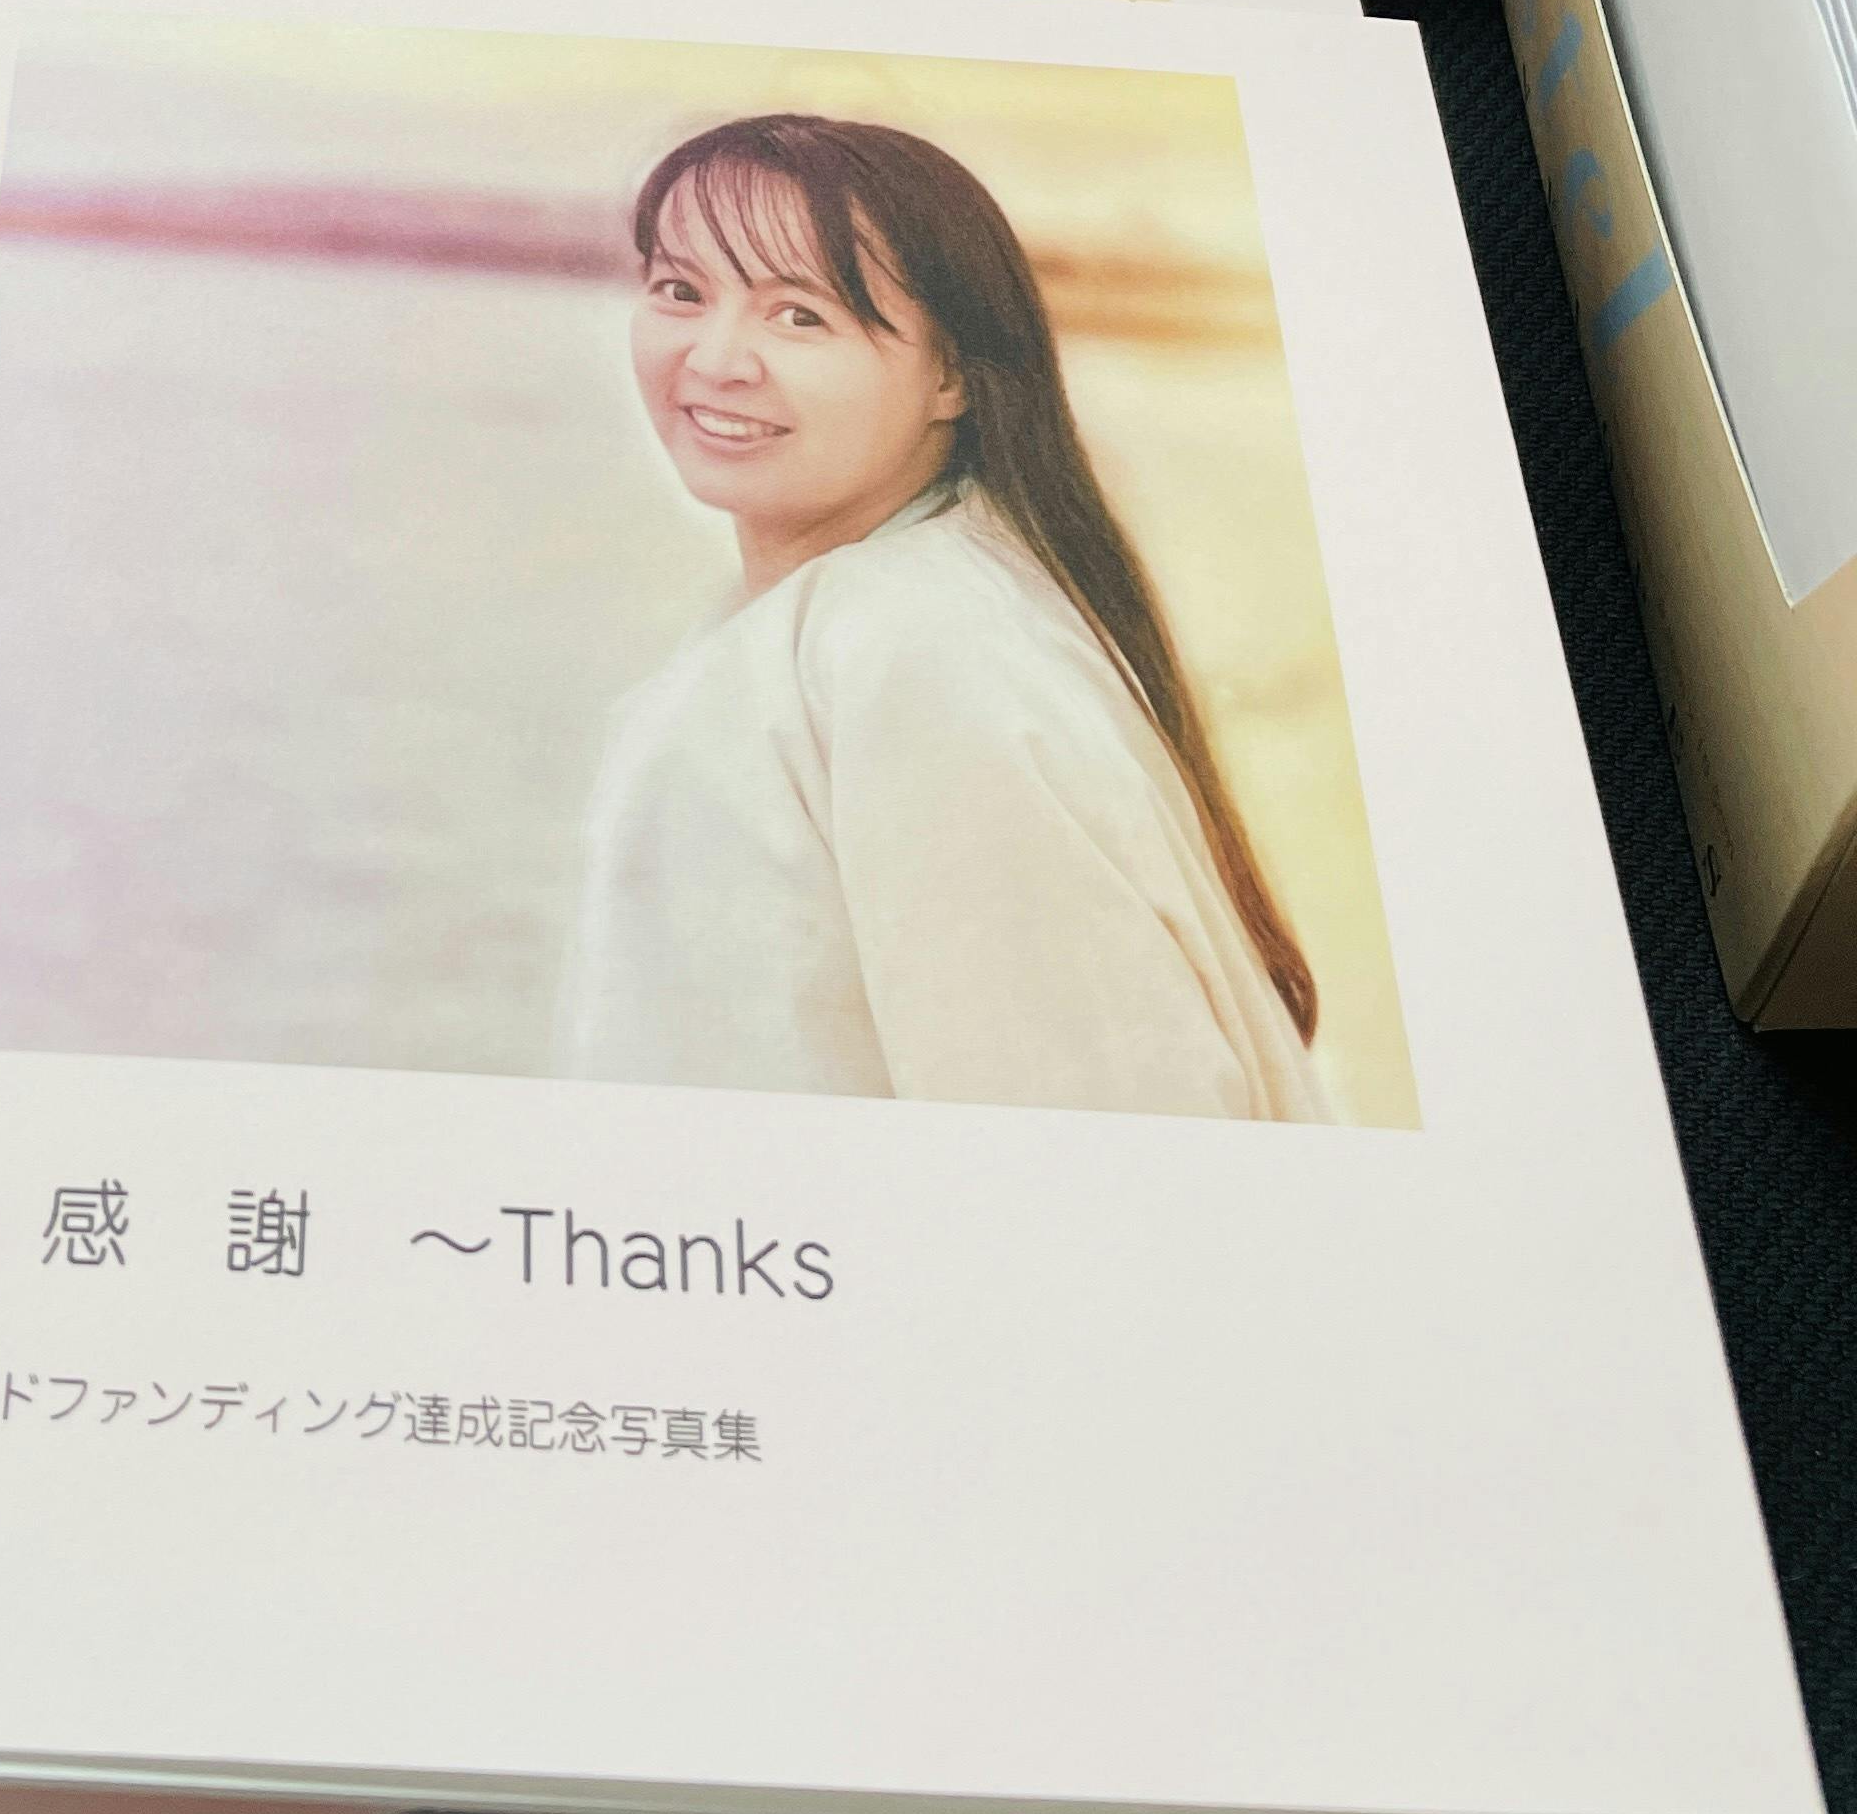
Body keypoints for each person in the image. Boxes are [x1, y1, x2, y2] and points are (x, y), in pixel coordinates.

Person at [558, 110, 1332, 1125]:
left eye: (800, 316)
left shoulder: (910, 649)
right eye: (680, 291)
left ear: (952, 375)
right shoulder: (904, 611)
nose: (715, 359)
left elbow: (1087, 1131)